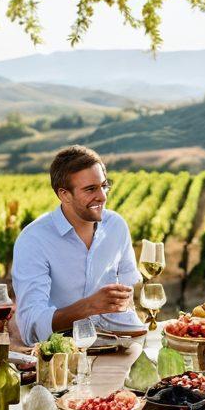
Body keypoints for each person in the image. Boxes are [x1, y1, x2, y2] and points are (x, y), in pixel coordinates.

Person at [12, 145, 143, 344]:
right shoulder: (33, 240)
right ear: (64, 195)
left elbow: (128, 295)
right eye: (91, 189)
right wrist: (89, 306)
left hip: (118, 341)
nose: (102, 196)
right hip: (64, 352)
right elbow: (32, 325)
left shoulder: (116, 226)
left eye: (104, 186)